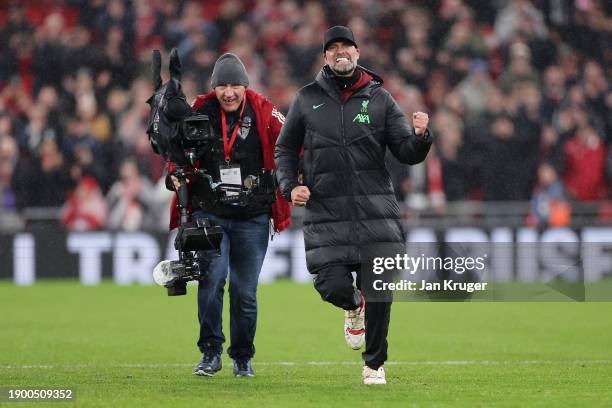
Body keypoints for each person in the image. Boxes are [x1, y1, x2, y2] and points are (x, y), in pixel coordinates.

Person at [275, 26, 432, 385]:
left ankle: (374, 365)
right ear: (325, 57)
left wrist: (421, 137)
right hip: (326, 213)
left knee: (381, 292)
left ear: (358, 53)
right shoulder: (305, 99)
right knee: (330, 284)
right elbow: (284, 149)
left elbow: (406, 152)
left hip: (376, 214)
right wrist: (289, 185)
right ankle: (351, 305)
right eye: (333, 48)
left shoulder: (380, 99)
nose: (340, 52)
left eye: (346, 46)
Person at [166, 52, 291, 377]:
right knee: (211, 282)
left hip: (252, 216)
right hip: (210, 215)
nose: (229, 92)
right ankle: (210, 353)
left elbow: (294, 142)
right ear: (214, 87)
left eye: (235, 84)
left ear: (245, 86)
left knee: (244, 291)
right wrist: (173, 174)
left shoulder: (264, 110)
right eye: (222, 85)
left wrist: (297, 178)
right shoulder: (199, 109)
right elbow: (175, 151)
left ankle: (242, 357)